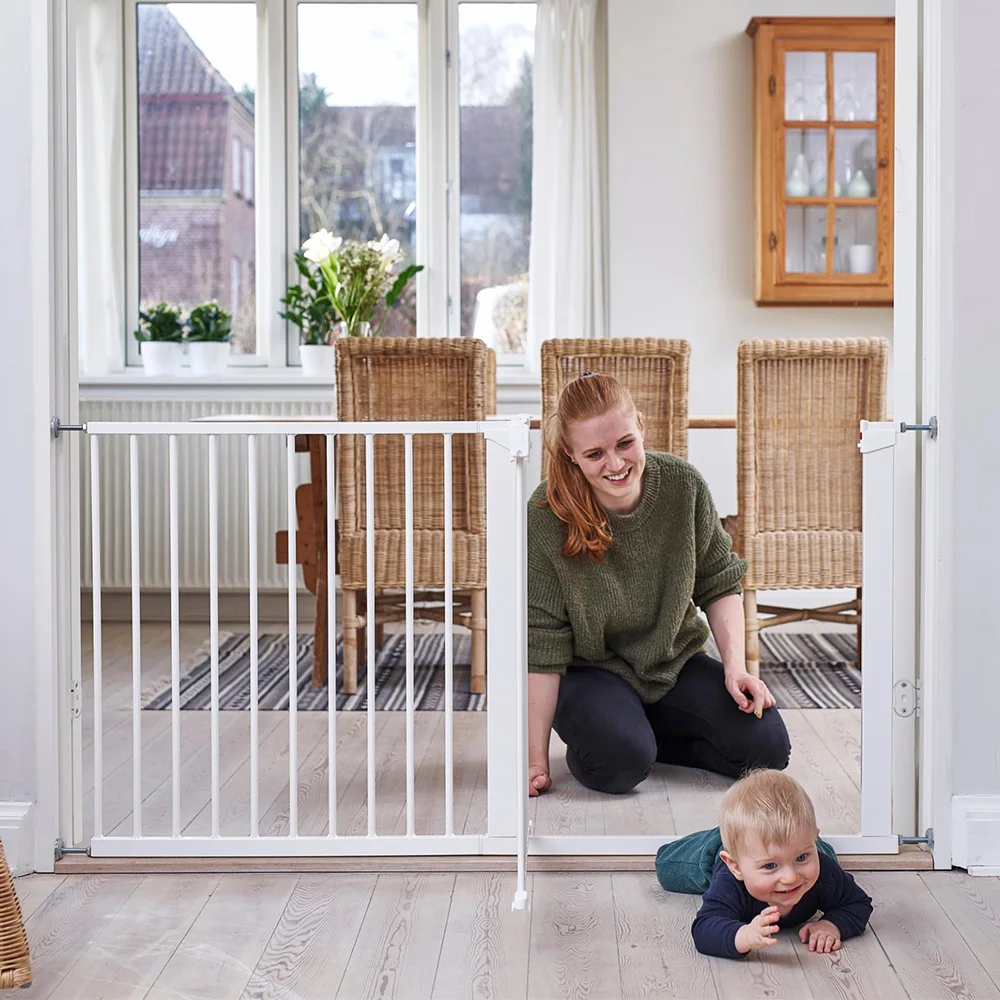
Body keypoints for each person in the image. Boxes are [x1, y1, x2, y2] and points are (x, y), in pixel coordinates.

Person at [527, 371, 790, 797]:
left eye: (624, 443)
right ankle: (622, 742)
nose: (615, 464)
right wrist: (535, 761)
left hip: (671, 662)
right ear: (572, 456)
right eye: (595, 453)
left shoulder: (683, 486)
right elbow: (541, 642)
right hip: (589, 672)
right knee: (617, 765)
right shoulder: (545, 514)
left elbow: (719, 583)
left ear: (641, 428)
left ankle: (642, 738)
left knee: (767, 749)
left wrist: (736, 669)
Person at [658, 769, 873, 959]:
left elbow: (857, 903)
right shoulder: (730, 879)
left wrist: (832, 924)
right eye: (770, 866)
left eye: (801, 857)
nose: (790, 877)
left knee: (824, 859)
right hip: (716, 851)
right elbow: (705, 929)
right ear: (735, 866)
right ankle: (729, 837)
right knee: (666, 866)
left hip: (801, 848)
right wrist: (743, 935)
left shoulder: (823, 871)